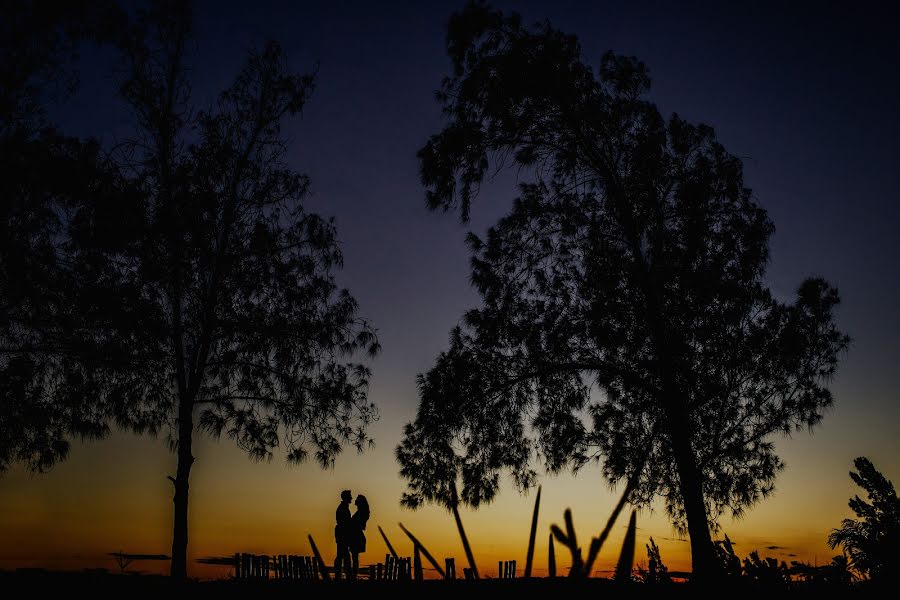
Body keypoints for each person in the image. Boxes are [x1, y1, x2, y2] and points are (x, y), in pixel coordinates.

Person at [349, 494, 370, 579]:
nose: (355, 500)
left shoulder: (361, 513)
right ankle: (353, 575)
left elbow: (357, 525)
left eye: (357, 499)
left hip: (356, 536)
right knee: (354, 557)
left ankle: (354, 575)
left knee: (354, 557)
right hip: (356, 535)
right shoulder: (360, 512)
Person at [334, 489, 353, 580]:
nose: (351, 498)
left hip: (342, 535)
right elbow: (345, 524)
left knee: (342, 556)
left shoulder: (344, 508)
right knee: (343, 556)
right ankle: (344, 575)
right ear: (346, 498)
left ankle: (340, 575)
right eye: (350, 496)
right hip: (342, 535)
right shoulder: (342, 509)